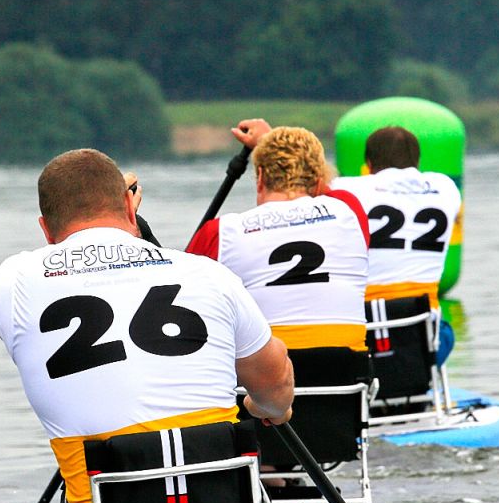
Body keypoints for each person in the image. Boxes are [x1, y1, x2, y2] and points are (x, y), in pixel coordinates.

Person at [0, 148, 293, 503]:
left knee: (102, 469)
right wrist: (268, 408)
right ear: (131, 209)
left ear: (44, 230)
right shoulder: (206, 274)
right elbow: (275, 380)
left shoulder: (12, 281)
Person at [186, 120, 370, 354]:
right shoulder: (349, 210)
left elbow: (188, 302)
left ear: (260, 176)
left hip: (262, 384)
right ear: (317, 180)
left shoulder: (219, 233)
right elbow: (326, 189)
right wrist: (271, 142)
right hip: (345, 378)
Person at [329, 126, 461, 364]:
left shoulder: (345, 189)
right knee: (447, 331)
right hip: (425, 340)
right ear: (417, 161)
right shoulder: (446, 188)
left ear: (368, 164)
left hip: (364, 337)